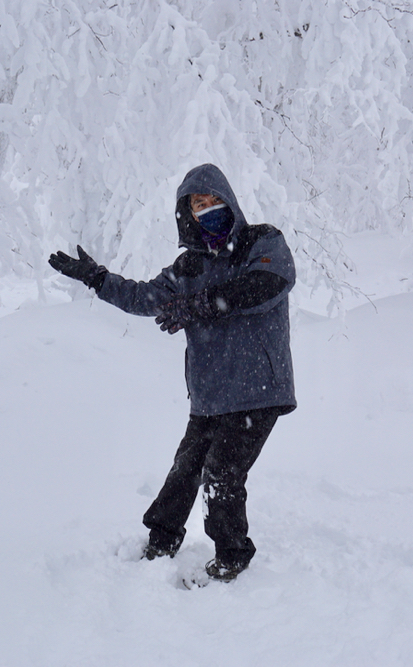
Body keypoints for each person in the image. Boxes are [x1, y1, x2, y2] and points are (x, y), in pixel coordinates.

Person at [48, 163, 296, 582]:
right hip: (212, 394)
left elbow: (269, 281)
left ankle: (233, 555)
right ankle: (161, 539)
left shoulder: (262, 241)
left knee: (221, 472)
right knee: (185, 468)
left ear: (228, 201)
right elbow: (145, 297)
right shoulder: (189, 267)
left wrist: (204, 304)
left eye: (212, 200)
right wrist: (98, 278)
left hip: (258, 389)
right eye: (198, 204)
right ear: (188, 213)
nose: (207, 209)